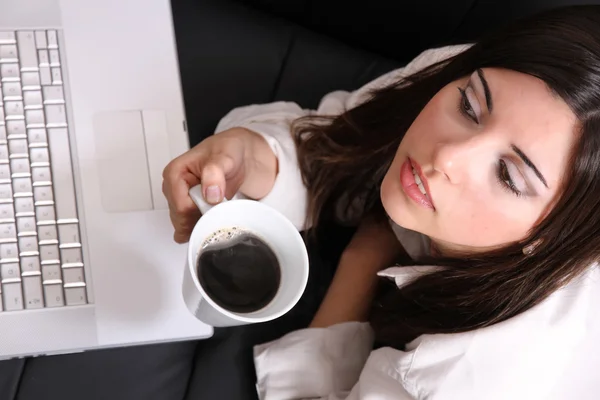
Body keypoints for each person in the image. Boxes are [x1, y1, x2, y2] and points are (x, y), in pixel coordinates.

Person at [163, 5, 600, 399]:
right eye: (468, 108)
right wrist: (252, 154)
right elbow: (350, 135)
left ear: (552, 237)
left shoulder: (475, 374)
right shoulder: (494, 84)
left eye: (507, 174)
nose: (447, 155)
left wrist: (362, 258)